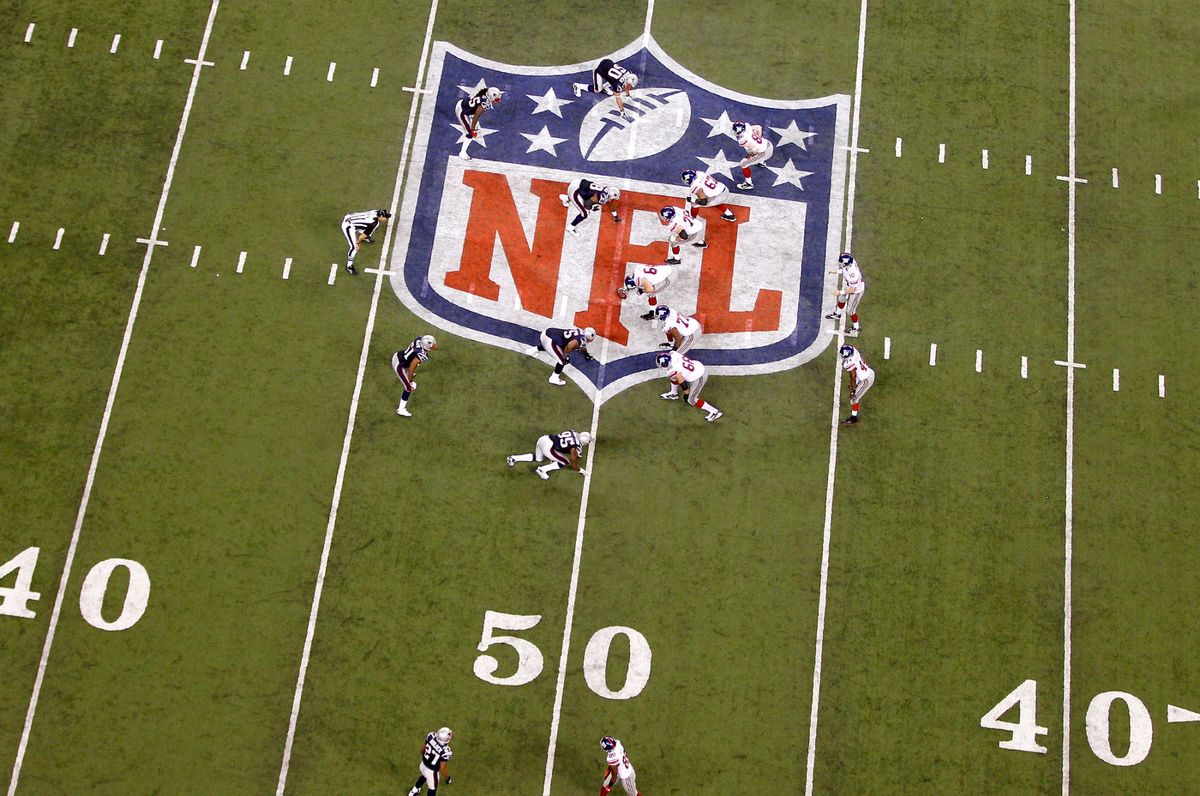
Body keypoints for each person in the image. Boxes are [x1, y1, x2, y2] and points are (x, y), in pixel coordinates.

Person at [656, 350, 722, 422]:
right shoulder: (673, 353)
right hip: (696, 366)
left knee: (691, 400)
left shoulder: (673, 370)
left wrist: (686, 394)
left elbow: (683, 384)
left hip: (699, 376)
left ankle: (715, 412)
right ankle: (674, 393)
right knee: (673, 377)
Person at [506, 430, 593, 480]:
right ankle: (542, 470)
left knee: (538, 458)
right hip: (548, 448)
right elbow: (573, 460)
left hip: (543, 439)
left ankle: (513, 458)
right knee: (564, 461)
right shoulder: (575, 447)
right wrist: (579, 470)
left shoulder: (572, 432)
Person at [526, 326, 597, 385]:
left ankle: (531, 351)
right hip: (550, 341)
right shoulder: (581, 340)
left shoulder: (580, 331)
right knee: (563, 361)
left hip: (547, 332)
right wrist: (565, 355)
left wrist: (586, 354)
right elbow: (570, 345)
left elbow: (582, 346)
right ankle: (554, 378)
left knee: (556, 348)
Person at [572, 59, 639, 118]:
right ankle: (577, 86)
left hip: (607, 62)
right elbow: (618, 98)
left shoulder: (628, 74)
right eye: (629, 86)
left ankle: (605, 87)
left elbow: (625, 83)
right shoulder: (618, 85)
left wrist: (627, 95)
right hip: (599, 67)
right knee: (597, 90)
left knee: (613, 79)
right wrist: (622, 111)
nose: (630, 88)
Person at [391, 335, 437, 417]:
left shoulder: (419, 339)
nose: (435, 346)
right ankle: (401, 409)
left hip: (398, 355)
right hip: (400, 365)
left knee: (410, 371)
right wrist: (411, 381)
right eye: (433, 345)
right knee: (408, 388)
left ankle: (407, 375)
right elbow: (412, 368)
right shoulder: (421, 354)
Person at [456, 85, 503, 160]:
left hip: (465, 104)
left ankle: (471, 120)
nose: (496, 101)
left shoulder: (485, 93)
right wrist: (472, 129)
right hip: (462, 111)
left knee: (475, 128)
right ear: (491, 97)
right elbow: (476, 116)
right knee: (470, 134)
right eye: (496, 99)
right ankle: (462, 152)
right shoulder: (485, 103)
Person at [825, 252, 867, 335]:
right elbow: (845, 270)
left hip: (856, 291)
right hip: (850, 286)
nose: (840, 264)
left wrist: (839, 292)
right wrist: (836, 271)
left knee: (851, 311)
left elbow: (852, 290)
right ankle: (838, 314)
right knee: (841, 299)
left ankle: (856, 328)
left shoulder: (853, 275)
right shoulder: (850, 263)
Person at [340, 208, 391, 275]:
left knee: (365, 227)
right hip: (348, 226)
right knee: (354, 248)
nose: (386, 219)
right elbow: (362, 235)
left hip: (350, 217)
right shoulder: (374, 223)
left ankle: (365, 237)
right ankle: (349, 266)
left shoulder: (375, 211)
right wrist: (358, 243)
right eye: (385, 217)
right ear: (381, 216)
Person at [406, 727, 453, 796]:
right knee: (432, 790)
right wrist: (447, 777)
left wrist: (427, 758)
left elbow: (422, 749)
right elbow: (442, 769)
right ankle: (415, 790)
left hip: (422, 764)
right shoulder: (446, 751)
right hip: (432, 773)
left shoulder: (431, 736)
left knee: (424, 775)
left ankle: (414, 790)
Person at [731, 121, 774, 190]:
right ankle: (760, 162)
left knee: (743, 164)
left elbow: (755, 150)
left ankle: (749, 184)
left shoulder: (742, 140)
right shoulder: (747, 127)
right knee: (751, 150)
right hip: (768, 144)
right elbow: (759, 128)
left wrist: (752, 156)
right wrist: (760, 138)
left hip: (765, 153)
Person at [839, 344, 875, 425]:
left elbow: (853, 377)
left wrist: (853, 390)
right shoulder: (854, 351)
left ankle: (853, 418)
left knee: (854, 399)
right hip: (868, 372)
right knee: (854, 395)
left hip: (866, 380)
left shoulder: (849, 363)